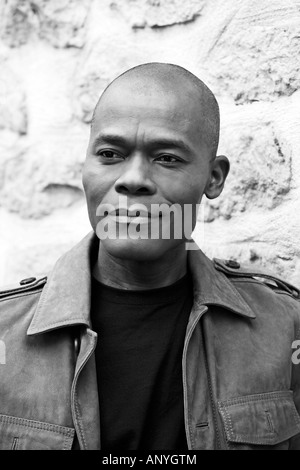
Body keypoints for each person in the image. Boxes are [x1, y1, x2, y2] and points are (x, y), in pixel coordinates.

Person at [0, 62, 300, 451]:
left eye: (167, 158)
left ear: (214, 178)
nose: (133, 179)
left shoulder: (284, 328)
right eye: (110, 154)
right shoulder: (6, 334)